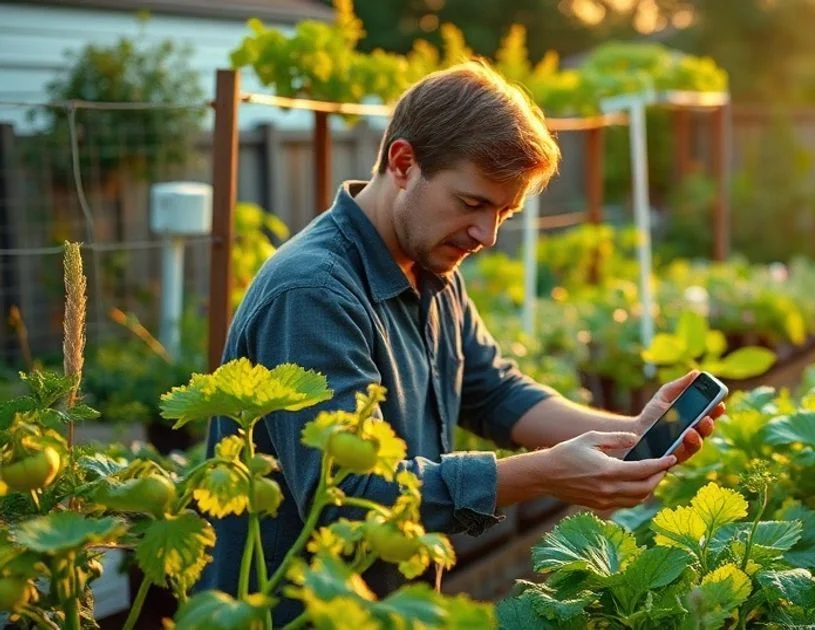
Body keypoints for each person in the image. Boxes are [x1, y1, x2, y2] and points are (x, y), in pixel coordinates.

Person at [195, 60, 722, 623]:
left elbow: (493, 390)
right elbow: (350, 493)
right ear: (403, 163)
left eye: (504, 212)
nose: (486, 235)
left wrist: (632, 432)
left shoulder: (428, 264)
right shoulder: (313, 293)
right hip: (294, 612)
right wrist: (545, 474)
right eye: (472, 204)